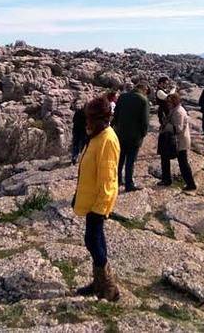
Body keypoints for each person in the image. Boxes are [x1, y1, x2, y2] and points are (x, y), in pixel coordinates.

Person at [73, 96, 121, 302]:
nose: (87, 122)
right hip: (91, 197)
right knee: (95, 239)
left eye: (90, 118)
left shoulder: (107, 140)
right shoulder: (96, 136)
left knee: (93, 240)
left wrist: (100, 207)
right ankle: (99, 282)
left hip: (98, 202)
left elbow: (108, 178)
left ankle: (109, 285)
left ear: (101, 118)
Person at [112, 81, 150, 192]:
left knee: (120, 159)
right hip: (135, 136)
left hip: (120, 133)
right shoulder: (143, 100)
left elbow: (116, 114)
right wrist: (143, 134)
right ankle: (129, 183)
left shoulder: (123, 97)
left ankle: (117, 180)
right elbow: (145, 121)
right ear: (144, 89)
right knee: (130, 161)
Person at [158, 93, 197, 191]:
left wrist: (165, 125)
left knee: (183, 163)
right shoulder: (175, 110)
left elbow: (178, 129)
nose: (168, 104)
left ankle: (190, 184)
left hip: (179, 141)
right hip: (176, 141)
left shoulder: (178, 112)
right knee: (166, 158)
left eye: (169, 102)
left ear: (174, 102)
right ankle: (167, 179)